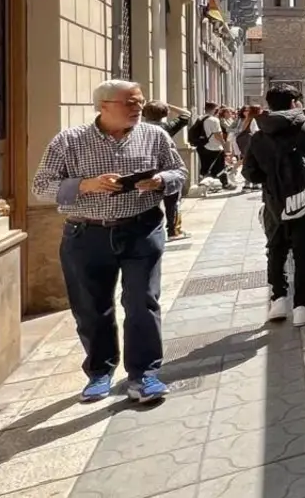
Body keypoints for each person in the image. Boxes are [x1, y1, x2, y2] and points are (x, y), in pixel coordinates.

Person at [31, 79, 187, 403]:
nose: (138, 108)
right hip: (86, 234)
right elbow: (41, 186)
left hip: (141, 230)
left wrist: (160, 180)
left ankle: (144, 374)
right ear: (103, 106)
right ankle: (100, 372)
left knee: (142, 301)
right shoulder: (69, 140)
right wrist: (85, 185)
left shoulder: (155, 135)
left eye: (140, 101)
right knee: (91, 307)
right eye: (129, 103)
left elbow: (179, 173)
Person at [242, 84, 305, 326]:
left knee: (276, 249)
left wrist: (273, 178)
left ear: (270, 105)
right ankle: (301, 307)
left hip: (274, 203)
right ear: (295, 103)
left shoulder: (259, 136)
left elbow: (250, 173)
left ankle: (278, 300)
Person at [142, 101, 191, 240]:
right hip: (167, 171)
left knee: (148, 203)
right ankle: (173, 230)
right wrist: (170, 105)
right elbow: (186, 114)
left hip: (147, 170)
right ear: (165, 114)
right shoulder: (166, 128)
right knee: (172, 201)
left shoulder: (137, 130)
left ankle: (150, 231)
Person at [190, 102, 230, 190]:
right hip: (214, 147)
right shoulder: (214, 120)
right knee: (220, 167)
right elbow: (217, 134)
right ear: (215, 110)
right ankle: (225, 183)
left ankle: (203, 185)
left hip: (202, 146)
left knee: (205, 167)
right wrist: (224, 144)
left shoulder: (200, 118)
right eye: (218, 109)